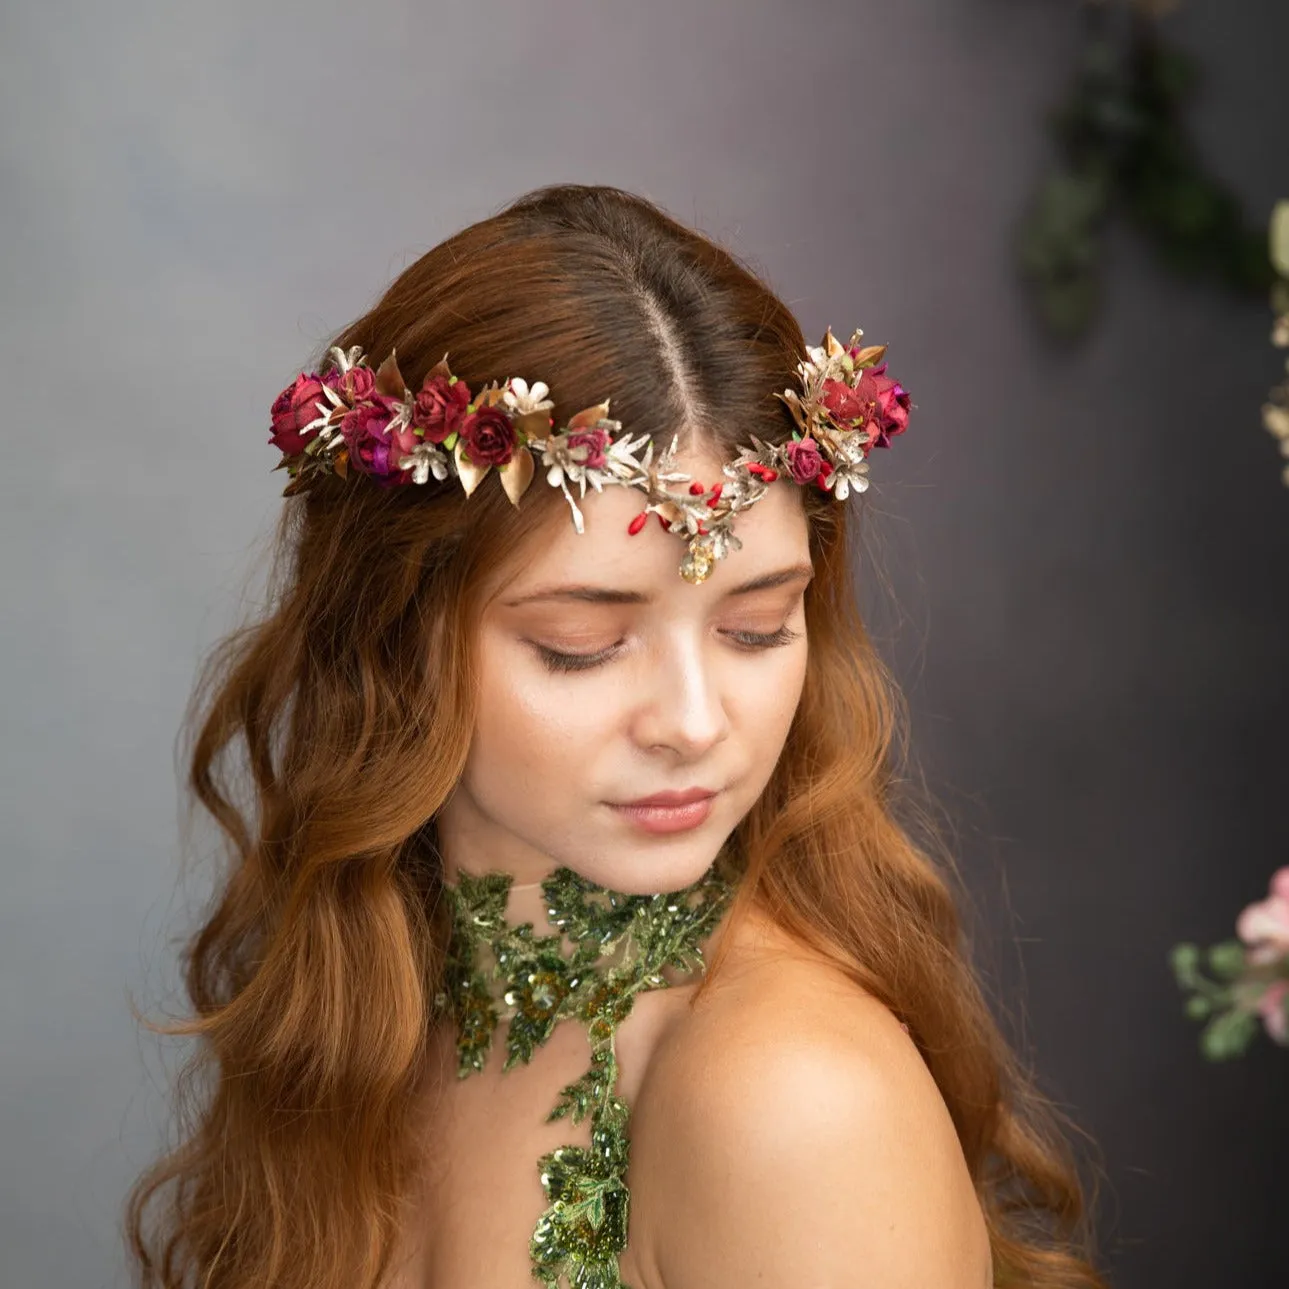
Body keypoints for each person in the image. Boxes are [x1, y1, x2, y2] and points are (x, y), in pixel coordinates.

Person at [125, 183, 1107, 1289]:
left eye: (754, 627)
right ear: (393, 639)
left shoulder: (792, 1099)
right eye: (582, 643)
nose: (692, 724)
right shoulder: (372, 1005)